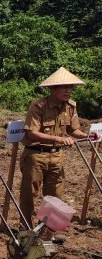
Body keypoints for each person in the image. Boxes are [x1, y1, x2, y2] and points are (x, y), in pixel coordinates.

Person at [19, 67, 100, 228]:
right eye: (64, 87)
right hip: (36, 156)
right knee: (29, 194)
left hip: (56, 157)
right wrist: (58, 139)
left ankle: (46, 230)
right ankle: (25, 230)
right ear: (53, 88)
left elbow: (73, 130)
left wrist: (87, 135)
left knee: (55, 196)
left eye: (71, 87)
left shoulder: (70, 106)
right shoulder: (38, 106)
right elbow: (31, 134)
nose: (68, 91)